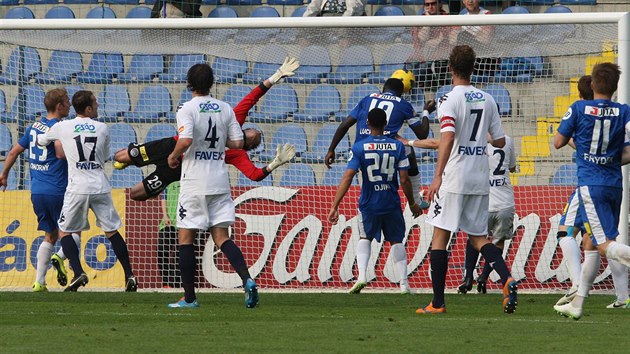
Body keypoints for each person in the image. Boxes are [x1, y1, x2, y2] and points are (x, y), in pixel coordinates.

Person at [112, 57, 300, 201]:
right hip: (171, 147)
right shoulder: (232, 119)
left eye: (256, 138)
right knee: (120, 157)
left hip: (180, 168)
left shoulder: (237, 154)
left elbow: (255, 175)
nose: (256, 134)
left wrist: (274, 164)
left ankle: (155, 184)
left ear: (250, 145)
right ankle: (132, 159)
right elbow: (253, 97)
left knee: (135, 194)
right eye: (255, 132)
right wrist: (276, 76)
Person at [417, 45, 517, 315]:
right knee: (478, 238)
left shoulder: (448, 99)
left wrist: (437, 176)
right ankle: (506, 278)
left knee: (440, 237)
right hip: (479, 178)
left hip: (455, 177)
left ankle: (437, 303)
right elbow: (498, 141)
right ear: (474, 68)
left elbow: (447, 136)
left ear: (450, 68)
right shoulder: (488, 98)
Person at [166, 63, 255, 309]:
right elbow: (238, 143)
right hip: (219, 181)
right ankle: (247, 280)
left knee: (185, 239)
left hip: (194, 182)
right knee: (222, 237)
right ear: (211, 83)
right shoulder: (225, 108)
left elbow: (184, 141)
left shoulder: (186, 108)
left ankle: (190, 298)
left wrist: (173, 156)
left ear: (189, 83)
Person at [37, 90, 137, 292]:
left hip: (77, 187)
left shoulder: (63, 126)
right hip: (99, 185)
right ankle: (129, 275)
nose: (98, 105)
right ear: (89, 108)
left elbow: (42, 141)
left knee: (65, 230)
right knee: (111, 232)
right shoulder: (102, 128)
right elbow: (106, 154)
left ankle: (78, 272)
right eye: (96, 103)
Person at [553, 66, 630, 319]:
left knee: (603, 245)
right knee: (595, 244)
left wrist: (588, 153)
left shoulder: (577, 108)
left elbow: (558, 142)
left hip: (590, 184)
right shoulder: (624, 111)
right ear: (615, 87)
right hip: (614, 184)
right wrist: (608, 160)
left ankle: (587, 296)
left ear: (593, 84)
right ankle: (577, 305)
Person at [327, 108, 422, 294]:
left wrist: (335, 206)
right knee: (396, 240)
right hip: (391, 202)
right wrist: (412, 203)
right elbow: (404, 179)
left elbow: (347, 177)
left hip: (369, 202)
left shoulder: (359, 147)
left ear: (367, 124)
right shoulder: (398, 147)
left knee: (365, 237)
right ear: (386, 124)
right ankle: (404, 284)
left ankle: (362, 276)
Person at [0, 88, 81, 292]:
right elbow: (61, 154)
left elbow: (13, 152)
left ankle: (39, 282)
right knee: (73, 231)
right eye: (67, 102)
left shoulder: (33, 127)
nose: (70, 105)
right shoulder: (59, 127)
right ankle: (59, 257)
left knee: (50, 235)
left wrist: (3, 175)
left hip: (37, 191)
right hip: (58, 190)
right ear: (59, 106)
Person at [325, 77, 431, 211]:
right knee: (408, 151)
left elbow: (345, 125)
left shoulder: (367, 98)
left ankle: (342, 208)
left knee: (353, 178)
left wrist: (331, 149)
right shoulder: (403, 104)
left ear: (383, 89)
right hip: (389, 149)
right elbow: (422, 134)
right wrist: (426, 111)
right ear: (401, 93)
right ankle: (415, 199)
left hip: (361, 149)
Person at [458, 134, 517, 294]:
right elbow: (512, 168)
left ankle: (468, 277)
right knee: (498, 242)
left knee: (475, 238)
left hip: (483, 202)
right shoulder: (507, 139)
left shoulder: (474, 140)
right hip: (505, 203)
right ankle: (483, 278)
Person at [406, 0, 458, 90]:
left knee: (427, 66)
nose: (430, 7)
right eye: (427, 4)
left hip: (441, 57)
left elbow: (452, 40)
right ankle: (413, 93)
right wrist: (427, 23)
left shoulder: (449, 18)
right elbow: (420, 41)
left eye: (433, 4)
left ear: (440, 4)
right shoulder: (419, 20)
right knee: (408, 66)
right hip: (422, 56)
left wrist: (439, 40)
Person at [456, 0, 498, 79]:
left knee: (463, 35)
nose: (470, 1)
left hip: (486, 58)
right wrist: (476, 34)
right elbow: (453, 39)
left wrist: (468, 36)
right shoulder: (461, 17)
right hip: (468, 58)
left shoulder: (486, 14)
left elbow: (485, 39)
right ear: (463, 2)